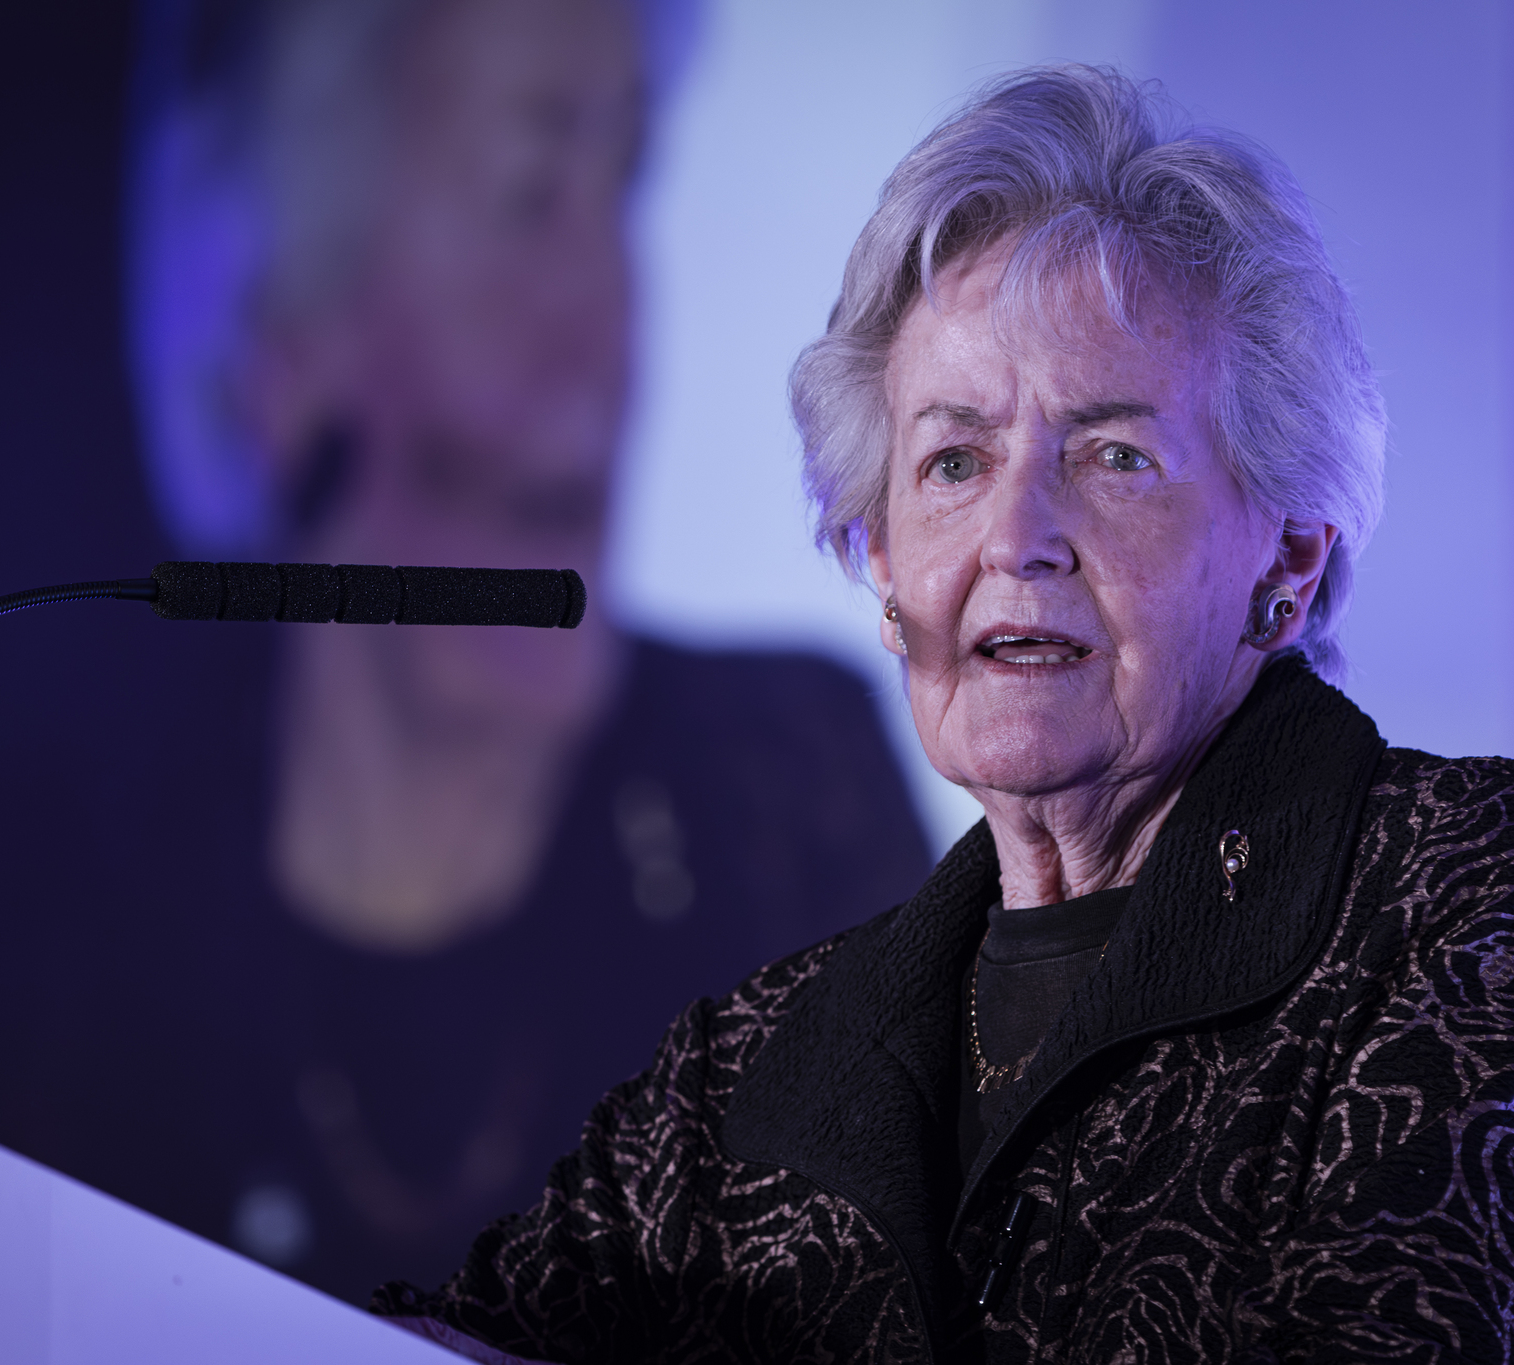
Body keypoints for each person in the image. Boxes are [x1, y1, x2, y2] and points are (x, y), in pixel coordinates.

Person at [374, 67, 1514, 1361]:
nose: (1017, 536)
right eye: (953, 461)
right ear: (883, 563)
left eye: (1115, 456)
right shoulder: (749, 1062)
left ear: (1288, 559)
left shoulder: (1459, 883)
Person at [119, 0, 932, 1299]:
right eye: (525, 192)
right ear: (279, 335)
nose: (606, 315)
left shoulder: (791, 801)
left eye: (622, 187)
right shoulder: (62, 891)